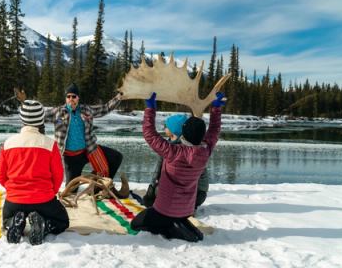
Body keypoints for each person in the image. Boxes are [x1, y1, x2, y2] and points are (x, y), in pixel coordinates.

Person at [131, 92, 226, 242]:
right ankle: (180, 223)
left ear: (184, 135)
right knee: (171, 217)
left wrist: (150, 108)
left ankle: (170, 229)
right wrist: (216, 109)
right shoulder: (205, 151)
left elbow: (149, 134)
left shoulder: (173, 151)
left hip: (164, 209)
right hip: (186, 209)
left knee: (135, 224)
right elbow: (214, 131)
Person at [0, 100, 69, 245]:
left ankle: (14, 222)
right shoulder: (50, 144)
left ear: (22, 119)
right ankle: (45, 225)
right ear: (41, 119)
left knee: (5, 221)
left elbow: (0, 175)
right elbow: (58, 175)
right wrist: (50, 192)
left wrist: (13, 190)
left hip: (14, 201)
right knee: (62, 221)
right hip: (44, 200)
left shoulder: (8, 143)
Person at [44, 83, 123, 184]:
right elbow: (38, 115)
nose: (71, 99)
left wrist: (119, 97)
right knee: (72, 190)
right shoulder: (57, 112)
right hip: (71, 158)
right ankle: (93, 180)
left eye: (74, 96)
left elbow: (105, 108)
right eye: (68, 96)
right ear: (65, 98)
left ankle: (99, 185)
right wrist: (24, 103)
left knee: (116, 157)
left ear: (78, 98)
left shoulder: (86, 110)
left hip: (89, 151)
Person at [143, 114, 210, 210]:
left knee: (159, 191)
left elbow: (158, 171)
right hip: (198, 195)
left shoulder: (171, 150)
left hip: (192, 195)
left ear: (173, 130)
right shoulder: (196, 148)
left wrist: (151, 189)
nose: (164, 128)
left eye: (166, 126)